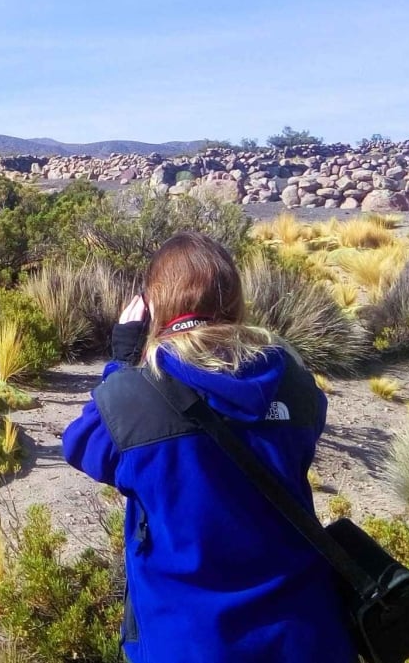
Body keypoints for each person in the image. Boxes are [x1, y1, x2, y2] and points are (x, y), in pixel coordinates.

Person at [61, 231, 356, 662]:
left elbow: (83, 446)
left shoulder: (135, 397)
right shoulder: (293, 383)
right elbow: (308, 428)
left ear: (153, 308)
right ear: (235, 299)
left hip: (189, 640)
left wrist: (122, 364)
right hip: (306, 633)